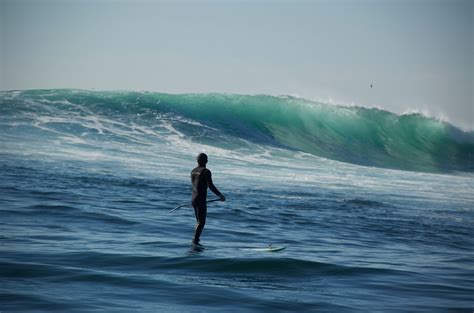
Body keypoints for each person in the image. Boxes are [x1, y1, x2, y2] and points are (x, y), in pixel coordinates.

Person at [191, 153, 225, 245]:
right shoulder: (206, 172)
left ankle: (196, 240)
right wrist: (220, 195)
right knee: (201, 222)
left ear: (197, 160)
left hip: (194, 199)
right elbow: (211, 186)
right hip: (200, 200)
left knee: (198, 221)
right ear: (206, 161)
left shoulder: (193, 171)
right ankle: (195, 241)